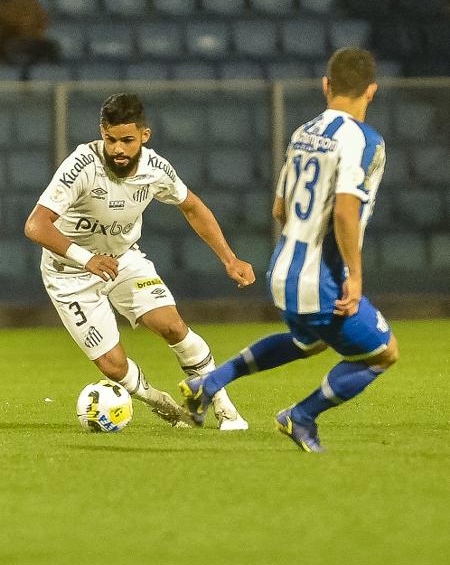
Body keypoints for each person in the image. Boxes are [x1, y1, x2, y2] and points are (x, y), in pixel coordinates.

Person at [180, 47, 399, 452]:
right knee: (382, 355)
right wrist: (354, 275)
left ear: (325, 85)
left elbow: (279, 208)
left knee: (307, 343)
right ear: (372, 91)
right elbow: (346, 213)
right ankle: (300, 416)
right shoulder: (364, 140)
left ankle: (210, 381)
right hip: (323, 278)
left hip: (282, 269)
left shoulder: (303, 132)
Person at [25, 93, 255, 430]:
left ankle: (223, 407)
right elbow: (36, 225)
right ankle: (158, 401)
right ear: (101, 132)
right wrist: (86, 258)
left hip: (123, 260)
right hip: (70, 273)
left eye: (127, 140)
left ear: (144, 136)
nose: (118, 149)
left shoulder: (156, 169)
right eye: (111, 139)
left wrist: (229, 258)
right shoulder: (81, 166)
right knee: (112, 366)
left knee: (173, 326)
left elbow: (192, 206)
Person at [0, 0, 59, 79]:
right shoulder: (2, 4)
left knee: (52, 47)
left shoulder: (28, 0)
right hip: (10, 42)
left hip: (33, 39)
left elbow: (44, 20)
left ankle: (49, 78)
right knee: (11, 48)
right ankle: (17, 77)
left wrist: (34, 31)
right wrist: (19, 26)